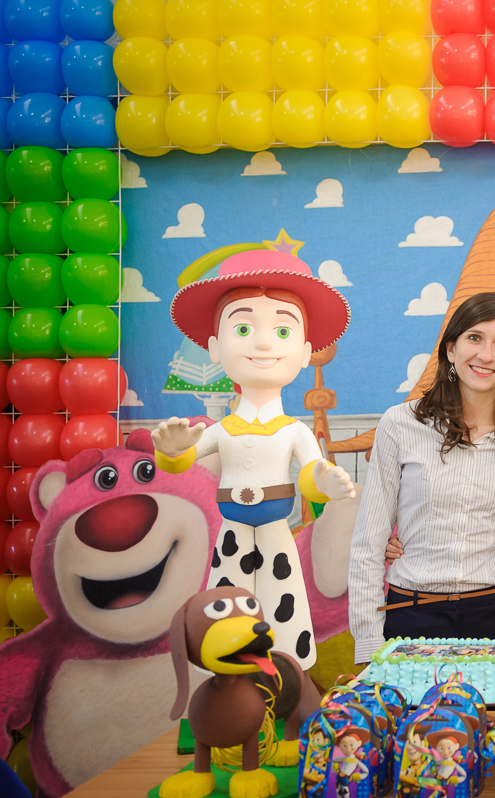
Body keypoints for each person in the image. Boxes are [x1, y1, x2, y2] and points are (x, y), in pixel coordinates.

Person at [151, 249, 357, 670]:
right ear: (214, 347)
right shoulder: (222, 429)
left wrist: (326, 484)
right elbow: (184, 458)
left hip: (277, 527)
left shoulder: (294, 430)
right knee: (227, 592)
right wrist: (171, 452)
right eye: (243, 327)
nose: (263, 342)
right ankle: (223, 671)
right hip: (232, 529)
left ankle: (286, 671)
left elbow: (311, 473)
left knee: (284, 596)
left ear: (304, 352)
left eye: (282, 332)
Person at [348, 293, 495, 664]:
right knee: (415, 725)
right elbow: (368, 544)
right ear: (451, 348)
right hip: (411, 613)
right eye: (475, 338)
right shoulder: (400, 423)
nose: (486, 355)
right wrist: (368, 643)